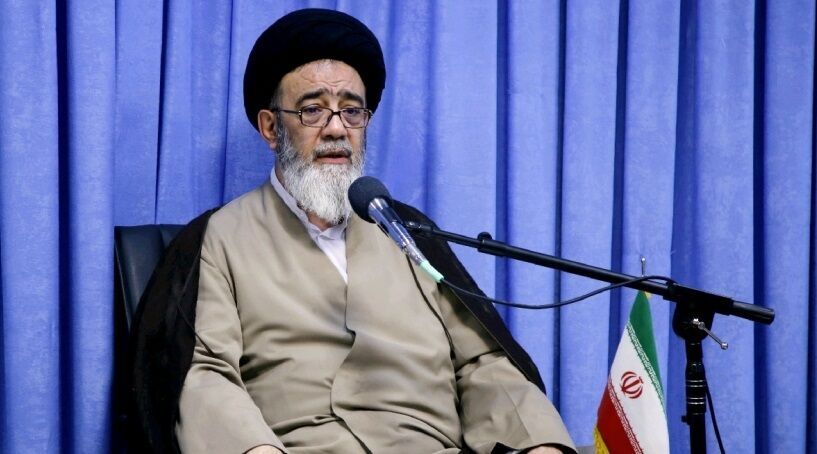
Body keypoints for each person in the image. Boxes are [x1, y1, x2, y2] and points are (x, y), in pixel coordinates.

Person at [130, 8, 576, 454]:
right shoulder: (220, 238)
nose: (337, 129)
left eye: (352, 111)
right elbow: (205, 374)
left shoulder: (408, 232)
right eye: (313, 110)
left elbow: (483, 364)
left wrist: (540, 444)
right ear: (271, 127)